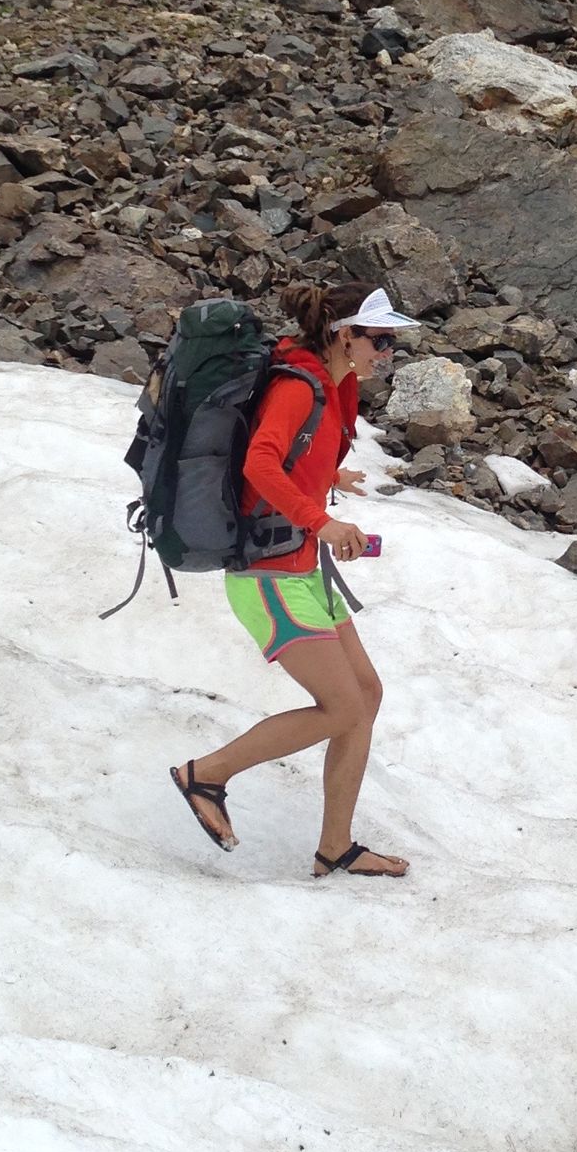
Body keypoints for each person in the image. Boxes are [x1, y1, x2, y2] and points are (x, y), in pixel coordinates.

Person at [171, 281, 419, 880]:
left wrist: (336, 475)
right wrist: (324, 521)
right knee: (340, 706)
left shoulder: (337, 385)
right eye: (379, 339)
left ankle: (336, 847)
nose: (386, 351)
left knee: (366, 697)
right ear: (343, 334)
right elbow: (261, 461)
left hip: (301, 566)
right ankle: (206, 774)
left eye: (391, 341)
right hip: (266, 574)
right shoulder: (295, 383)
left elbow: (298, 457)